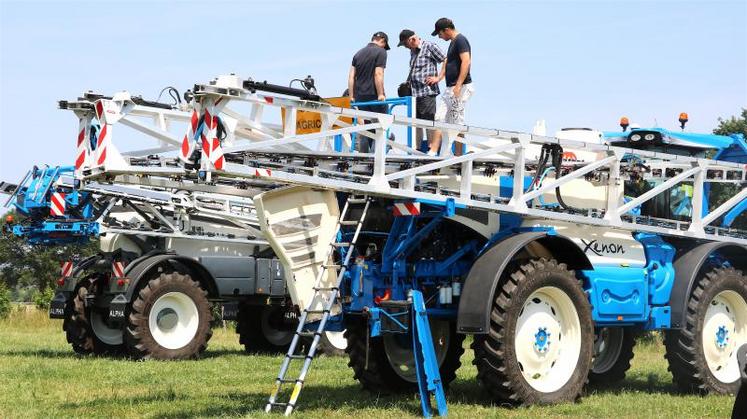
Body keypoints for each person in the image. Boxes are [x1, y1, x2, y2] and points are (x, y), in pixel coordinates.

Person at [397, 29, 446, 155]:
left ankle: (432, 151)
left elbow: (446, 59)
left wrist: (439, 78)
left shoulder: (429, 46)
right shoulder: (413, 52)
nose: (406, 48)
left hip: (427, 91)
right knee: (416, 122)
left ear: (411, 40)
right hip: (414, 93)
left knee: (429, 122)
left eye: (405, 44)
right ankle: (416, 150)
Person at [431, 17, 474, 156]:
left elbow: (466, 61)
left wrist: (459, 84)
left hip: (460, 87)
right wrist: (440, 77)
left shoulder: (461, 40)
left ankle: (459, 155)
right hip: (451, 87)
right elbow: (447, 61)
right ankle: (440, 151)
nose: (439, 36)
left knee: (457, 120)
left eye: (440, 33)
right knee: (440, 117)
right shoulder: (453, 42)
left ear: (447, 30)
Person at [348, 31, 390, 152]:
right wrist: (381, 94)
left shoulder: (358, 54)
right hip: (374, 96)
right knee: (381, 128)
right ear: (382, 41)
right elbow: (378, 73)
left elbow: (351, 77)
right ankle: (376, 159)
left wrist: (351, 96)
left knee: (367, 128)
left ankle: (366, 157)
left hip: (360, 98)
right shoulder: (381, 52)